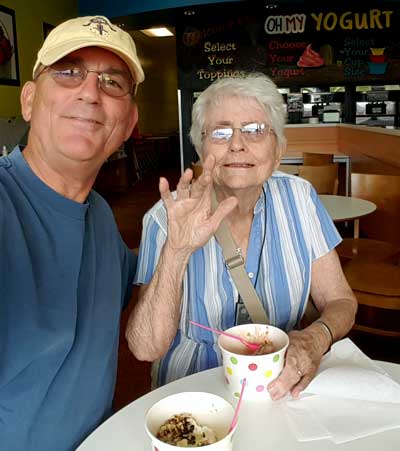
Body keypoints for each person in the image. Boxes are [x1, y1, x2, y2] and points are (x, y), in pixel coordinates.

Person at [127, 73, 357, 398]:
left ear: (278, 150)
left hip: (283, 384)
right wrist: (176, 250)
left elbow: (341, 300)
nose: (237, 144)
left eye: (254, 130)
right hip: (194, 391)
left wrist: (316, 337)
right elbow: (146, 347)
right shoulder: (165, 219)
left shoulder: (300, 199)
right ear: (200, 147)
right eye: (221, 132)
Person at [0, 16, 144, 451]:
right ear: (29, 100)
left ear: (128, 121)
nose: (90, 92)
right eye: (68, 72)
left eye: (112, 82)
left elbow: (136, 288)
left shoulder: (98, 214)